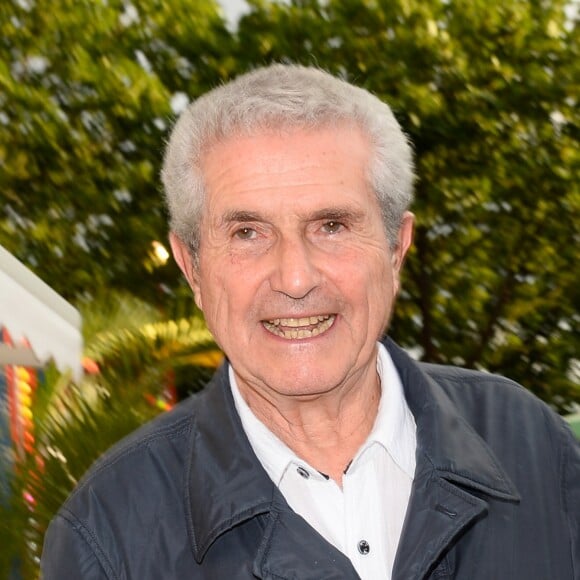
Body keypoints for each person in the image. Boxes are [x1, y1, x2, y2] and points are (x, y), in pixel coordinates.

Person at [41, 64, 580, 580]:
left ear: (397, 249)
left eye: (332, 225)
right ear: (193, 269)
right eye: (248, 233)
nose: (295, 278)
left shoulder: (535, 448)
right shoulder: (106, 535)